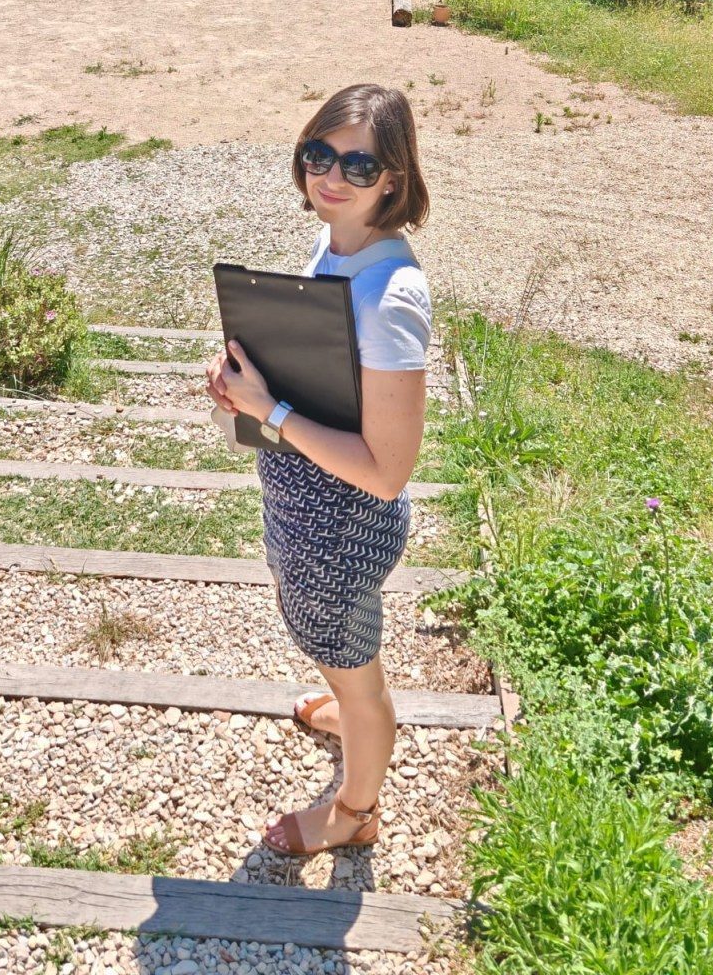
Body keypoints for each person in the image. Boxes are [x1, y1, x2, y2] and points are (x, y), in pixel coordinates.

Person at [206, 82, 432, 858]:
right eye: (317, 155)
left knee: (359, 678)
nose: (331, 177)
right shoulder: (339, 244)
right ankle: (347, 705)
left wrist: (269, 411)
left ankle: (355, 811)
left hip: (340, 533)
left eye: (358, 165)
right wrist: (243, 384)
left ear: (393, 178)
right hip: (305, 517)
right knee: (339, 655)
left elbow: (385, 473)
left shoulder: (389, 297)